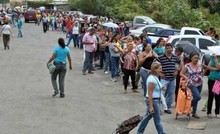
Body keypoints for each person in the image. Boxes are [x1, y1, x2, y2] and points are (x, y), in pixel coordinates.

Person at [137, 61, 165, 134]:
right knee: (157, 120)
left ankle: (139, 132)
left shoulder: (155, 77)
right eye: (159, 68)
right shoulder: (151, 79)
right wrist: (151, 106)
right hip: (153, 101)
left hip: (155, 100)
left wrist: (162, 88)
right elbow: (150, 93)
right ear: (155, 69)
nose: (161, 70)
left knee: (147, 117)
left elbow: (156, 87)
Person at [156, 43, 181, 114]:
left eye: (170, 48)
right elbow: (155, 65)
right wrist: (159, 73)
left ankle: (167, 108)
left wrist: (177, 70)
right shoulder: (161, 57)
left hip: (172, 79)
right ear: (165, 49)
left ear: (172, 49)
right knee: (161, 94)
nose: (168, 49)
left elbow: (180, 63)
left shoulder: (175, 57)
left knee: (170, 94)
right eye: (167, 48)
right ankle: (159, 109)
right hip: (164, 78)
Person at [180, 52, 203, 118]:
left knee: (196, 98)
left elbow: (201, 72)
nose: (196, 59)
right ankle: (188, 107)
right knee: (198, 97)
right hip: (191, 83)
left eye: (197, 58)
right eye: (195, 58)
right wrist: (186, 78)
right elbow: (181, 73)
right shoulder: (187, 66)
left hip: (199, 83)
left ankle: (194, 112)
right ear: (191, 58)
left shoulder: (199, 65)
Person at [203, 54, 220, 119]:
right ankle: (209, 112)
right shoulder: (212, 57)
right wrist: (216, 69)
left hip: (218, 80)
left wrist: (216, 59)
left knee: (218, 96)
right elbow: (208, 67)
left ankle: (217, 113)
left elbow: (219, 67)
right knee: (210, 95)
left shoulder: (215, 58)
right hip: (211, 79)